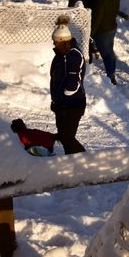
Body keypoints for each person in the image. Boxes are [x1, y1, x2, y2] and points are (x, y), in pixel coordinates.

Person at [49, 16, 86, 155]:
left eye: (55, 42)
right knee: (64, 137)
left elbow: (73, 80)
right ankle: (71, 162)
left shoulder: (74, 55)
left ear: (64, 42)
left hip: (73, 105)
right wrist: (56, 101)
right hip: (62, 104)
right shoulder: (61, 55)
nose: (54, 44)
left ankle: (86, 161)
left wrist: (65, 96)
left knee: (67, 137)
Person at [88, 0, 121, 85]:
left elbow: (97, 19)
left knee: (107, 53)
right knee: (109, 51)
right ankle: (112, 73)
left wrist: (90, 34)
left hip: (103, 30)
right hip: (112, 26)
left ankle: (111, 77)